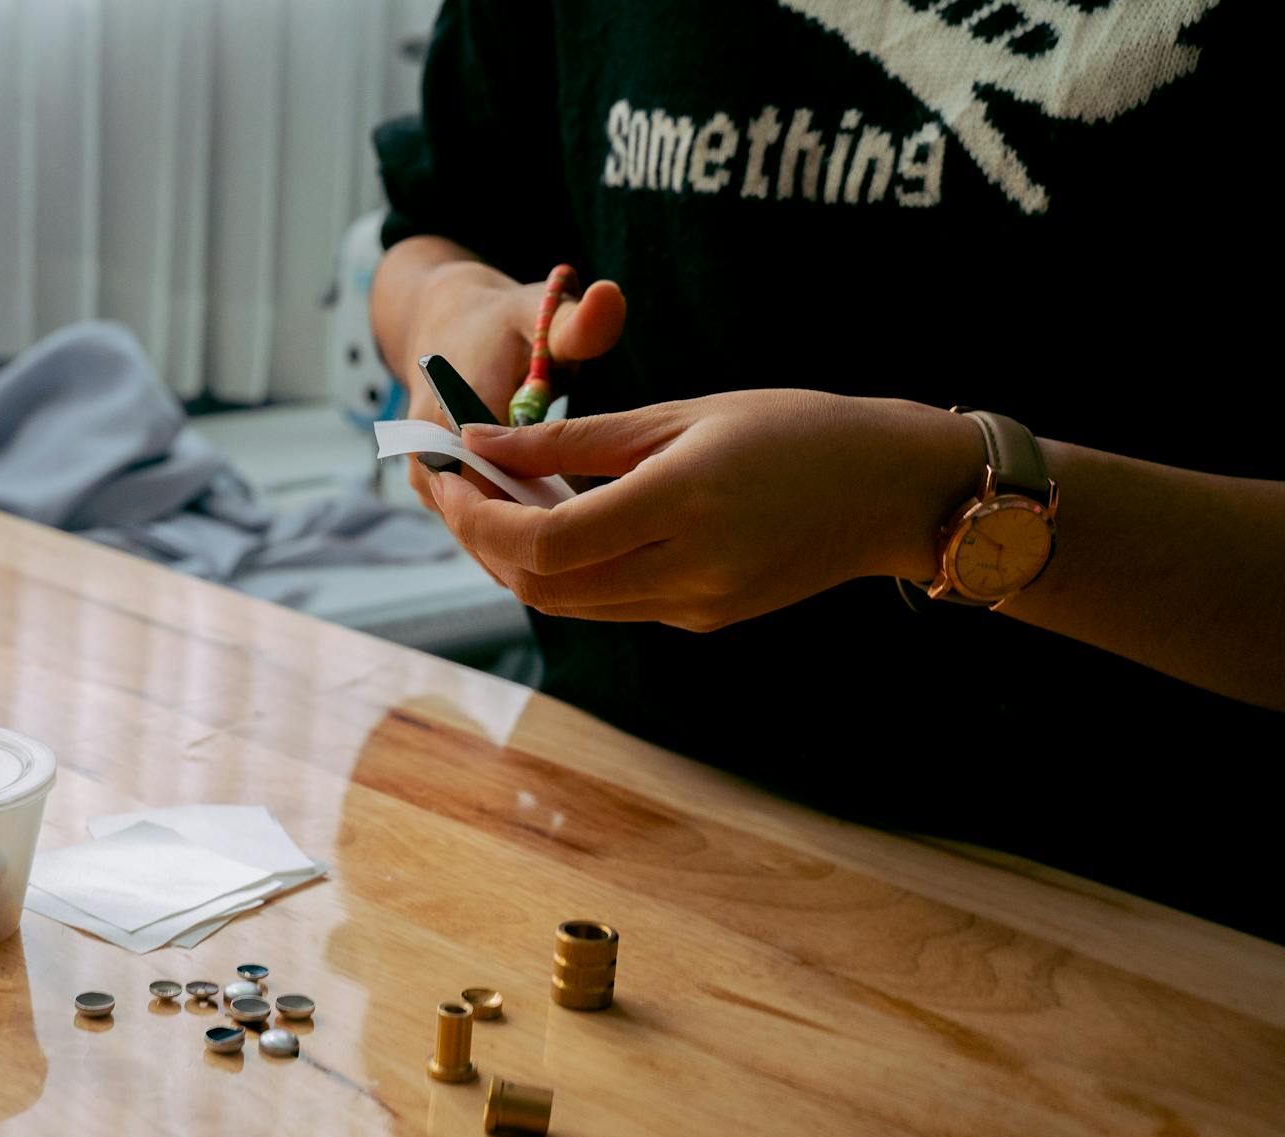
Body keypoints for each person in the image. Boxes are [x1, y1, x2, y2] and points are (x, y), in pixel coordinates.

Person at [371, 0, 1281, 928]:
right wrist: (448, 305)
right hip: (616, 830)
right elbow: (432, 231)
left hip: (1139, 914)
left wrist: (930, 501)